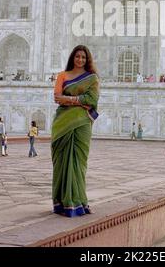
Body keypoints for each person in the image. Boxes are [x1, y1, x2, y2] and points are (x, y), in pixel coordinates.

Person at [52, 45, 100, 218]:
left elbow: (92, 100)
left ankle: (78, 202)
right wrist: (78, 101)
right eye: (77, 56)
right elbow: (57, 98)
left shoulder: (92, 78)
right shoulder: (62, 76)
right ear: (73, 57)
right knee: (61, 164)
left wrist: (69, 99)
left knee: (79, 163)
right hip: (62, 123)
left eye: (83, 57)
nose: (80, 60)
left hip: (82, 124)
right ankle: (62, 203)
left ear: (87, 60)